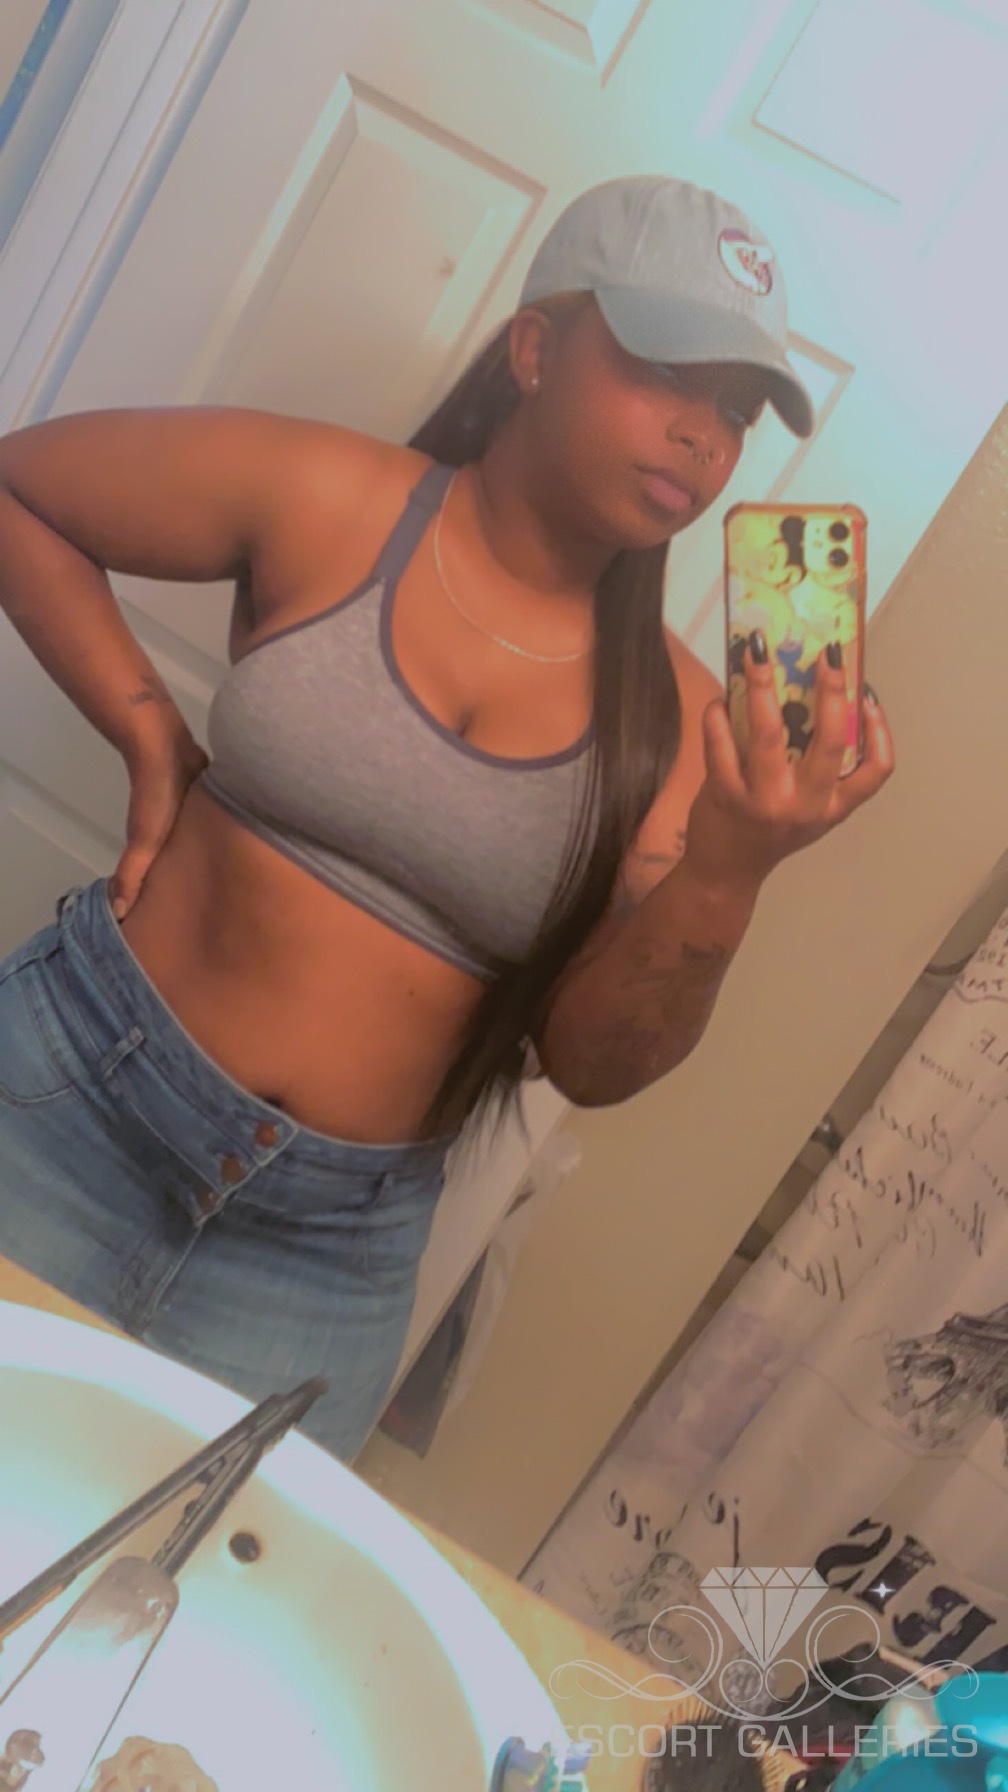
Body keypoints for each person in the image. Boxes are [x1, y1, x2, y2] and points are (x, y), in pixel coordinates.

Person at [0, 175, 893, 1460]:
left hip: (323, 1255)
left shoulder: (682, 725)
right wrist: (150, 737)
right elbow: (24, 492)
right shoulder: (331, 495)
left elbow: (594, 1064)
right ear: (534, 349)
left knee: (173, 1585)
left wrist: (731, 869)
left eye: (737, 410)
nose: (704, 435)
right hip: (69, 1101)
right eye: (664, 370)